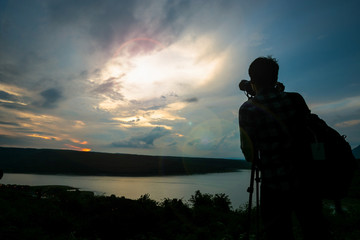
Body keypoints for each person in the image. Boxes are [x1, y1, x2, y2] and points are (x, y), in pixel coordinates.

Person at [239, 56, 331, 240]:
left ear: (252, 79)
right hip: (306, 181)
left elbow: (250, 155)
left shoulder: (248, 109)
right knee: (314, 230)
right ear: (276, 77)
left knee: (278, 234)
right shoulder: (296, 100)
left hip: (274, 185)